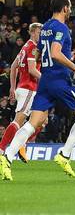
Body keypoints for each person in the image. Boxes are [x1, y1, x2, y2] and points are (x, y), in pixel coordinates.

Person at [1, 0, 75, 181]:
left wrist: (69, 56)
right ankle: (64, 155)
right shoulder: (62, 28)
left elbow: (40, 53)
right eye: (69, 7)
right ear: (65, 8)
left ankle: (6, 156)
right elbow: (55, 53)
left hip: (45, 82)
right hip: (60, 81)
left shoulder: (45, 28)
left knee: (34, 122)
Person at [0, 23, 43, 163]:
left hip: (23, 88)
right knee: (19, 121)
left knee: (41, 121)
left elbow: (13, 66)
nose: (41, 35)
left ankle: (22, 144)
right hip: (29, 88)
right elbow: (32, 70)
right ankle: (2, 149)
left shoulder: (25, 47)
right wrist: (46, 79)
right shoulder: (32, 47)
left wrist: (13, 87)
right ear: (32, 32)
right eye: (39, 32)